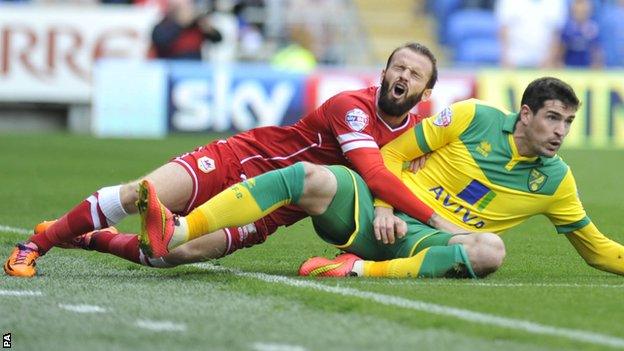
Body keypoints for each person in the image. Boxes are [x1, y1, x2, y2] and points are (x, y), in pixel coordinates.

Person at [4, 43, 463, 278]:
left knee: (168, 256)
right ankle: (36, 245)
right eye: (397, 68)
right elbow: (376, 172)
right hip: (241, 160)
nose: (401, 75)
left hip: (271, 210)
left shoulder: (418, 135)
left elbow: (396, 168)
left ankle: (89, 239)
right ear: (382, 73)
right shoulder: (352, 106)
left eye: (413, 74)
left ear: (425, 93)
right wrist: (443, 225)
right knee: (141, 194)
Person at [137, 76, 624, 279]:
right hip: (375, 212)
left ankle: (353, 271)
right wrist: (388, 205)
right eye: (553, 118)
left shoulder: (556, 181)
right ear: (525, 113)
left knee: (491, 249)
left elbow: (597, 248)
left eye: (567, 123)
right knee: (308, 175)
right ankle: (181, 228)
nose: (560, 131)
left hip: (421, 245)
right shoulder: (472, 117)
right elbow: (388, 156)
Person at [495, 0, 567, 68]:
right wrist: (506, 58)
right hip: (515, 59)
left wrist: (550, 59)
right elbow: (503, 30)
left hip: (543, 61)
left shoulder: (556, 2)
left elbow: (556, 33)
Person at [150, 0, 223, 60]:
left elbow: (218, 39)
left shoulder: (196, 24)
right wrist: (181, 24)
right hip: (170, 67)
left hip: (195, 68)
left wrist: (208, 29)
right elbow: (160, 41)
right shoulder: (164, 24)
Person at [549, 0, 603, 68]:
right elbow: (560, 48)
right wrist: (557, 62)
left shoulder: (593, 28)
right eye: (578, 11)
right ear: (572, 11)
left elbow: (596, 50)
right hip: (568, 67)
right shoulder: (567, 28)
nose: (581, 13)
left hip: (587, 68)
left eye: (584, 11)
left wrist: (597, 64)